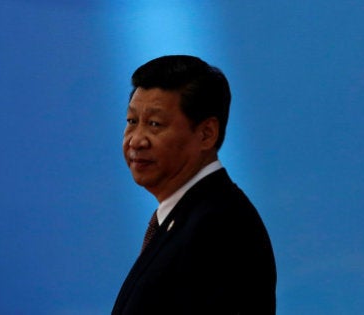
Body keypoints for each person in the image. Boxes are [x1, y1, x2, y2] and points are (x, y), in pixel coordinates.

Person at [112, 55, 276, 314]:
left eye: (154, 124)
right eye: (132, 121)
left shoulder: (221, 225)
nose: (136, 140)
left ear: (206, 133)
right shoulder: (187, 217)